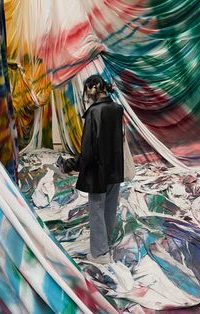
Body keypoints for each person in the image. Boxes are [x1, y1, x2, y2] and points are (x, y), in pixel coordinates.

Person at [57, 74, 124, 264]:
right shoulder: (117, 109)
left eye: (87, 91)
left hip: (98, 169)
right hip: (115, 167)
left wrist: (70, 164)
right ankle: (106, 245)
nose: (86, 95)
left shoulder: (94, 113)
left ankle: (100, 253)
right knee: (110, 207)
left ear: (92, 89)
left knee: (96, 209)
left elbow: (88, 150)